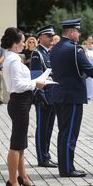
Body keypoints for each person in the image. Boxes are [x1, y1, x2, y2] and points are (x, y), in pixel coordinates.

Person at [50, 18, 93, 177]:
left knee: (63, 132)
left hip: (59, 95)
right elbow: (89, 69)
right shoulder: (75, 50)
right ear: (70, 32)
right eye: (77, 31)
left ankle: (65, 166)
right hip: (72, 96)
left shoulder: (55, 48)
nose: (79, 34)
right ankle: (67, 169)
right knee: (70, 133)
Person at [1, 27, 45, 186]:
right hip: (19, 102)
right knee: (16, 144)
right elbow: (18, 86)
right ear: (15, 43)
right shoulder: (13, 60)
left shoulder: (13, 58)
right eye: (22, 41)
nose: (24, 43)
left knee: (21, 144)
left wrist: (36, 81)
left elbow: (20, 82)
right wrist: (36, 84)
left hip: (21, 102)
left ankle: (23, 177)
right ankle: (12, 181)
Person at [30, 25, 57, 168]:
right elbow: (35, 77)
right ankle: (42, 158)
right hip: (43, 97)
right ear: (40, 37)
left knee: (49, 128)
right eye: (48, 36)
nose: (51, 39)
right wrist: (40, 97)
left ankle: (46, 155)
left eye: (52, 36)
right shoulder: (37, 54)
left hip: (52, 96)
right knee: (42, 127)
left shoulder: (49, 53)